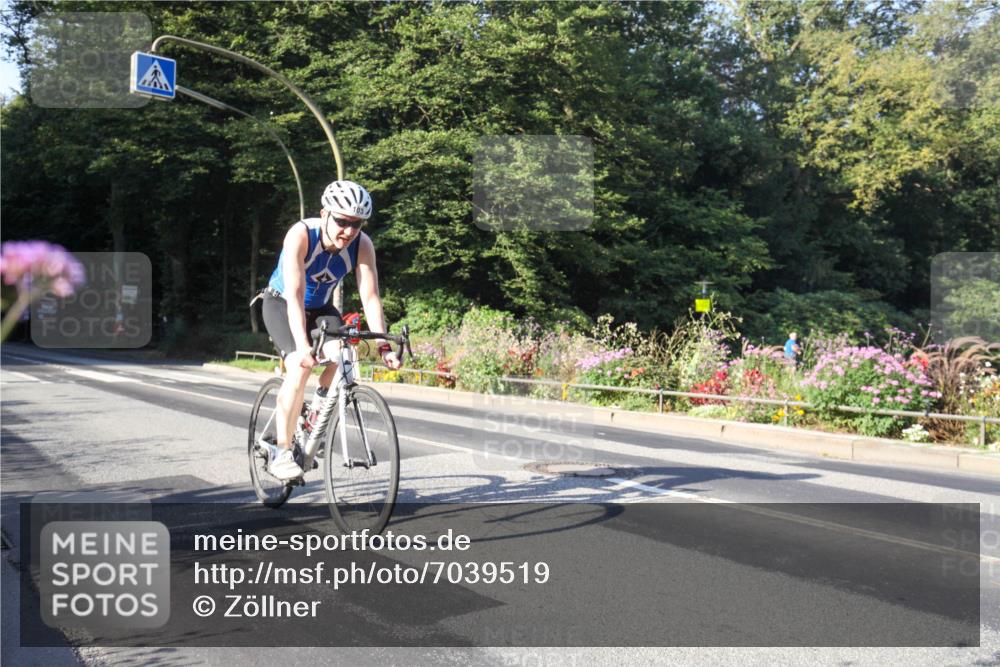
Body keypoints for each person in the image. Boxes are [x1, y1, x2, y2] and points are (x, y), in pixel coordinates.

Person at [260, 180, 401, 480]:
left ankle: (314, 419)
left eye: (357, 224)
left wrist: (384, 346)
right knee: (298, 367)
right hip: (281, 304)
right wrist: (301, 347)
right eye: (342, 221)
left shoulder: (362, 245)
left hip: (321, 309)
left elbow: (370, 296)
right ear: (324, 213)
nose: (349, 231)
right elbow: (295, 296)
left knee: (345, 354)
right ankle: (281, 452)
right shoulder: (300, 235)